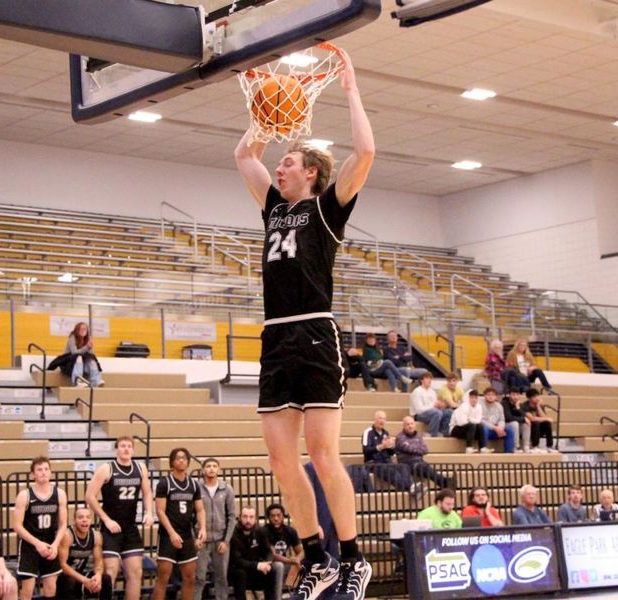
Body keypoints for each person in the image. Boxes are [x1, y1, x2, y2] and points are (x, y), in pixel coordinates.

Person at [234, 45, 374, 600]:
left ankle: (354, 558)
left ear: (310, 172)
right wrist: (264, 118)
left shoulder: (328, 206)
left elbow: (365, 149)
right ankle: (315, 555)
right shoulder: (272, 206)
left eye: (289, 161)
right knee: (278, 458)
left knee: (321, 453)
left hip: (316, 332)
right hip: (276, 336)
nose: (279, 165)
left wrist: (350, 89)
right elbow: (244, 155)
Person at [85, 436, 154, 600]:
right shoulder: (106, 468)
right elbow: (89, 496)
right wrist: (106, 519)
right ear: (116, 449)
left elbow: (147, 492)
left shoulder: (141, 468)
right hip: (110, 528)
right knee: (110, 572)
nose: (126, 449)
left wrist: (149, 512)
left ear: (133, 450)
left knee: (136, 572)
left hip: (130, 527)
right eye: (122, 446)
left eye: (129, 446)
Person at [154, 447, 206, 600]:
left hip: (186, 534)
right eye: (178, 458)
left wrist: (203, 528)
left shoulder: (194, 484)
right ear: (172, 462)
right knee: (163, 577)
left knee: (189, 577)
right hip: (167, 535)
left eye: (184, 458)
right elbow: (160, 511)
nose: (181, 460)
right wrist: (171, 533)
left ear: (188, 461)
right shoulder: (165, 483)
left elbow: (200, 509)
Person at [13, 456, 68, 600]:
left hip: (50, 542)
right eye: (39, 469)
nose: (43, 472)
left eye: (46, 469)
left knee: (51, 588)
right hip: (30, 544)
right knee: (27, 591)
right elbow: (17, 526)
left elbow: (63, 524)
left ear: (50, 472)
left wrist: (55, 546)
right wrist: (37, 543)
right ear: (32, 474)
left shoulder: (60, 494)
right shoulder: (24, 495)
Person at [194, 457, 236, 600]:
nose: (211, 468)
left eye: (214, 466)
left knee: (221, 577)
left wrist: (226, 541)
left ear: (219, 469)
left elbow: (231, 516)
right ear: (203, 470)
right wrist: (195, 537)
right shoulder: (196, 488)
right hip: (201, 540)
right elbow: (190, 515)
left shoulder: (227, 488)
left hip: (220, 540)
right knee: (198, 577)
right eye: (208, 466)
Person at [57, 507, 113, 599]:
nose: (84, 520)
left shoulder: (96, 536)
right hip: (64, 577)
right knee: (68, 581)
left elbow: (98, 562)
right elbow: (62, 565)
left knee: (105, 579)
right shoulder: (67, 535)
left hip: (82, 575)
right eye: (80, 517)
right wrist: (84, 580)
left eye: (87, 517)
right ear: (74, 520)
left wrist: (98, 576)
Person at [228, 507, 283, 600]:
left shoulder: (260, 531)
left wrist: (267, 563)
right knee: (240, 573)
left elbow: (268, 552)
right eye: (245, 517)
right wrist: (258, 565)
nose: (248, 520)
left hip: (256, 569)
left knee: (277, 566)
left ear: (255, 519)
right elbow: (237, 561)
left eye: (251, 517)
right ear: (239, 518)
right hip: (238, 571)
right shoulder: (233, 533)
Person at [395, 416, 452, 488]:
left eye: (411, 424)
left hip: (419, 462)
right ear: (403, 426)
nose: (410, 426)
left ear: (414, 425)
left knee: (426, 467)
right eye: (407, 424)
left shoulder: (418, 436)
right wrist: (418, 448)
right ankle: (444, 482)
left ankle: (445, 482)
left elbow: (425, 450)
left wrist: (412, 447)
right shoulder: (400, 437)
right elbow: (406, 448)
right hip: (407, 464)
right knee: (425, 467)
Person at [263, 504, 304, 589]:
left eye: (278, 515)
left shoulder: (290, 531)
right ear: (268, 518)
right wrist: (291, 561)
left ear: (283, 516)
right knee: (279, 566)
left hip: (285, 564)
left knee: (305, 563)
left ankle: (295, 592)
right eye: (272, 516)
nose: (276, 518)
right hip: (269, 564)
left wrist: (297, 559)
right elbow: (273, 556)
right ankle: (279, 594)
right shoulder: (264, 532)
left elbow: (302, 551)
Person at [448, 390, 491, 454]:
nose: (474, 400)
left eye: (475, 398)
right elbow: (461, 422)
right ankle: (469, 448)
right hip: (455, 429)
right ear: (469, 398)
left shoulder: (479, 407)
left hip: (470, 430)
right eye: (472, 398)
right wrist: (472, 421)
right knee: (472, 425)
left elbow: (479, 420)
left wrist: (469, 418)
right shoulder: (464, 406)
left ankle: (482, 448)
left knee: (480, 426)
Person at [409, 372, 451, 437]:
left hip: (433, 412)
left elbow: (435, 406)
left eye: (430, 378)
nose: (430, 380)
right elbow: (419, 410)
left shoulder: (432, 392)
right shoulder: (417, 391)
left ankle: (444, 432)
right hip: (419, 415)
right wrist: (433, 406)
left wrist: (440, 405)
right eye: (427, 378)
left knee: (449, 412)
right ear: (421, 380)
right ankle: (431, 433)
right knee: (437, 413)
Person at [65, 322, 104, 387]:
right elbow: (74, 353)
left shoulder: (87, 339)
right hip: (68, 362)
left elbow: (91, 354)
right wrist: (86, 347)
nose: (83, 330)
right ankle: (77, 381)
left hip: (81, 363)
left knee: (91, 360)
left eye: (85, 329)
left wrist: (90, 348)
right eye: (81, 329)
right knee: (79, 357)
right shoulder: (72, 338)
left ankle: (96, 381)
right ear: (77, 330)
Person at [480, 388, 517, 453]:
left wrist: (500, 428)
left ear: (496, 397)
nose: (490, 397)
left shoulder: (499, 406)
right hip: (485, 431)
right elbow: (481, 420)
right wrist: (495, 428)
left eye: (493, 395)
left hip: (497, 431)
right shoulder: (480, 405)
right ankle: (484, 449)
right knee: (483, 428)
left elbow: (502, 420)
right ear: (484, 396)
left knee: (510, 429)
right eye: (488, 395)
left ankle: (508, 453)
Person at [522, 389, 557, 453]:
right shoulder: (524, 406)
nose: (537, 398)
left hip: (539, 429)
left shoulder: (539, 405)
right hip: (530, 428)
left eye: (538, 396)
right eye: (534, 397)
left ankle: (549, 446)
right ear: (529, 398)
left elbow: (544, 417)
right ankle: (534, 446)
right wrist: (546, 418)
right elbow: (532, 419)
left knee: (547, 423)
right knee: (536, 423)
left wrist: (538, 406)